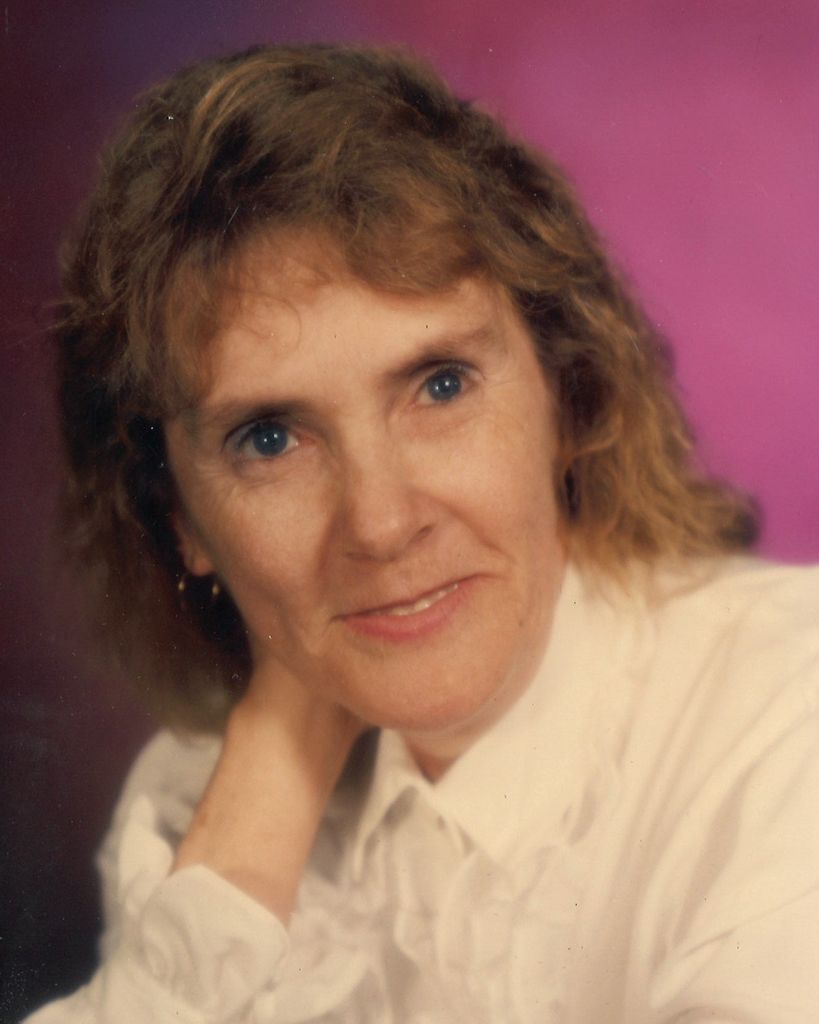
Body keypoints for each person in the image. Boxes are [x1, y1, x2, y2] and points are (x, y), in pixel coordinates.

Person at [27, 43, 818, 1023]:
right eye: (269, 438)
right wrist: (259, 804)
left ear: (567, 394)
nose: (383, 521)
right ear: (182, 517)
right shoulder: (199, 808)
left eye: (440, 386)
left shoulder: (786, 705)